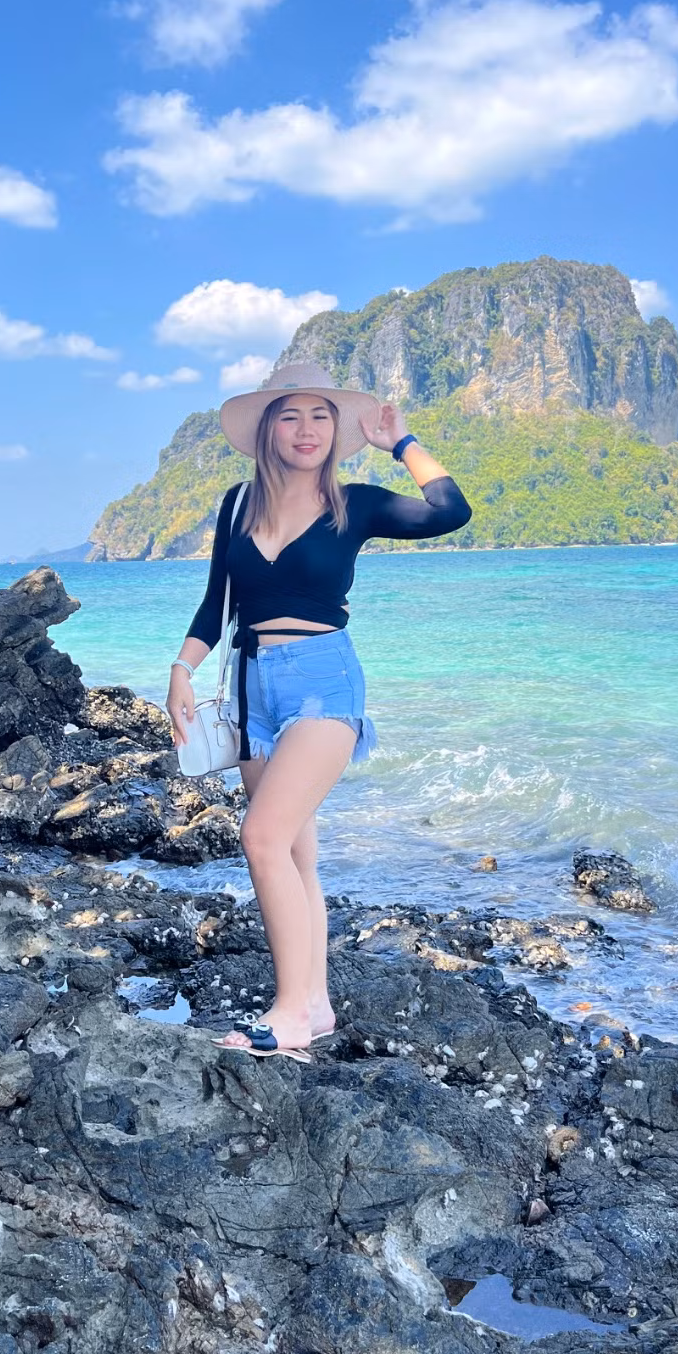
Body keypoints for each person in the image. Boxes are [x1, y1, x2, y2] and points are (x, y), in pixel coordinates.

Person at [167, 361, 472, 1059]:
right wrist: (182, 669)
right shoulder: (236, 505)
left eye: (320, 417)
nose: (306, 430)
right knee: (295, 853)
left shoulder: (355, 505)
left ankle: (285, 1017)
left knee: (261, 838)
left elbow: (450, 511)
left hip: (323, 682)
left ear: (336, 431)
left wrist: (403, 443)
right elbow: (217, 606)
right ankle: (315, 1005)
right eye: (291, 416)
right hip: (251, 687)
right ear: (267, 430)